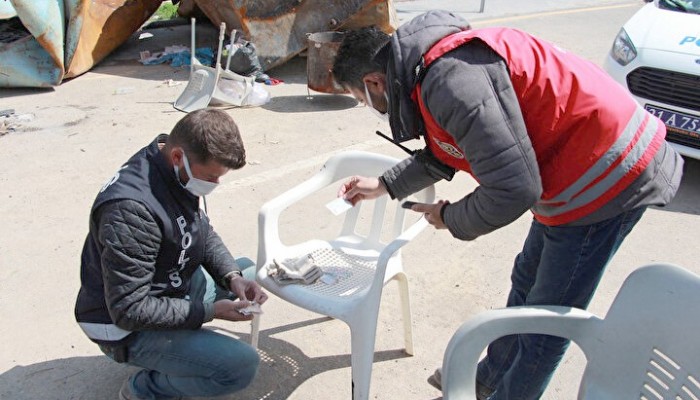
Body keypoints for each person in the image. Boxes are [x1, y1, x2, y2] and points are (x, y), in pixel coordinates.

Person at [332, 10, 683, 400]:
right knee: (527, 279)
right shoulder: (424, 70)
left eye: (359, 98)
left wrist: (450, 217)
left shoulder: (450, 80)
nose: (367, 105)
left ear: (374, 81)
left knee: (544, 322)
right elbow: (446, 148)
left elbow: (514, 189)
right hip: (573, 163)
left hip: (606, 172)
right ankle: (489, 378)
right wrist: (382, 185)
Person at [74, 108, 268, 400]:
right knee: (240, 366)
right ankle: (145, 389)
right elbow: (129, 310)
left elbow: (200, 231)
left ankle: (182, 352)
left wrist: (232, 277)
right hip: (124, 326)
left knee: (248, 274)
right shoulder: (131, 211)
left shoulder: (173, 169)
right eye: (211, 177)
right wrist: (209, 312)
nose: (214, 185)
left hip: (166, 286)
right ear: (178, 157)